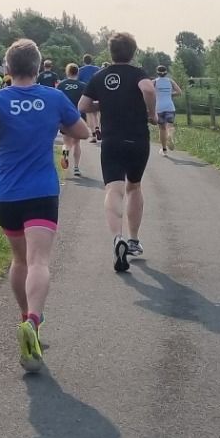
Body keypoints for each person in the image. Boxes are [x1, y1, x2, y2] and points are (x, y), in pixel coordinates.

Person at [0, 40, 89, 373]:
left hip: (6, 192)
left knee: (19, 259)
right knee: (39, 261)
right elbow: (83, 131)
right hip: (41, 191)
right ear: (38, 68)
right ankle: (34, 321)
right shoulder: (53, 97)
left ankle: (24, 317)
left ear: (7, 69)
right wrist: (57, 123)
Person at [79, 32, 156, 273]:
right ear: (133, 52)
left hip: (112, 140)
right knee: (134, 186)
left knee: (114, 189)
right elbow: (149, 90)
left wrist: (103, 103)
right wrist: (151, 113)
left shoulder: (100, 76)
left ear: (110, 52)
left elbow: (82, 106)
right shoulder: (138, 74)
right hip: (137, 139)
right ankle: (133, 240)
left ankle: (117, 238)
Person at [57, 63, 87, 177]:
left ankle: (65, 154)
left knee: (66, 142)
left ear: (67, 72)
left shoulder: (61, 85)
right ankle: (76, 167)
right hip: (78, 117)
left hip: (65, 117)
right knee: (77, 142)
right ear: (77, 73)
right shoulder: (82, 85)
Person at [152, 63, 181, 154]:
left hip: (159, 108)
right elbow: (179, 92)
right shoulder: (170, 81)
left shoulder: (154, 82)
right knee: (170, 126)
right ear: (166, 73)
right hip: (170, 107)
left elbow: (149, 92)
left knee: (162, 128)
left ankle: (164, 150)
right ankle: (170, 135)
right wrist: (169, 94)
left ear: (157, 73)